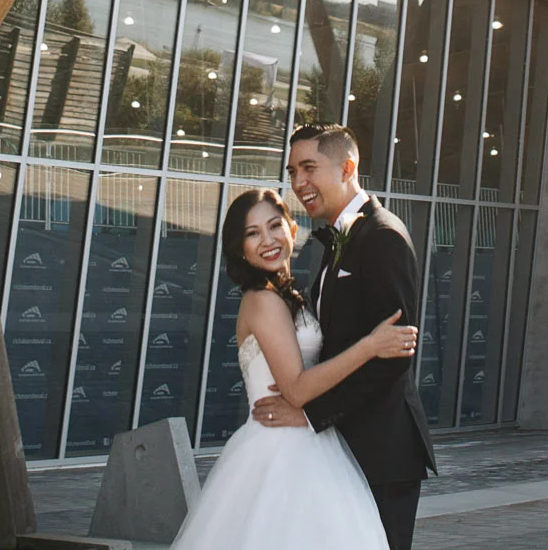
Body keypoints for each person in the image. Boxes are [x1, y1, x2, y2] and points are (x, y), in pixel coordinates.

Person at [167, 187, 419, 550]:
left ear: (292, 228)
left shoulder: (292, 296)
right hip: (280, 450)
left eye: (274, 226)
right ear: (240, 248)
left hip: (313, 441)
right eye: (252, 233)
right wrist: (370, 345)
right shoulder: (262, 300)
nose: (268, 240)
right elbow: (297, 390)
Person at [252, 124, 437, 550]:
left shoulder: (383, 237)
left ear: (347, 168)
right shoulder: (338, 239)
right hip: (338, 450)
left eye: (309, 168)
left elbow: (394, 356)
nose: (299, 182)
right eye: (293, 171)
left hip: (381, 451)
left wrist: (310, 414)